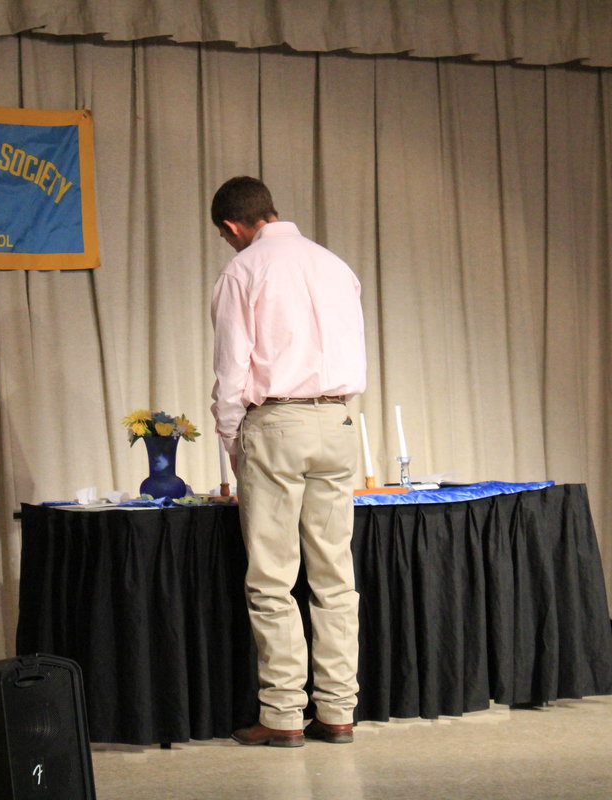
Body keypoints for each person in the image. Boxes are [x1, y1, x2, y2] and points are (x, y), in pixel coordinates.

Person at [209, 176, 367, 747]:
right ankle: (338, 710)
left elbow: (233, 367)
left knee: (273, 579)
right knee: (335, 577)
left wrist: (232, 438)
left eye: (226, 235)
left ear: (232, 226)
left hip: (277, 423)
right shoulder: (335, 265)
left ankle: (281, 716)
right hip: (339, 420)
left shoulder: (244, 270)